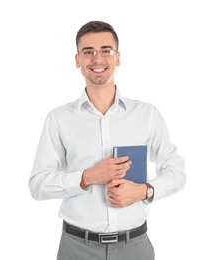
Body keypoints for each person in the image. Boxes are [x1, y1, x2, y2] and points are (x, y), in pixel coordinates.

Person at [29, 21, 186, 260]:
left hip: (135, 248)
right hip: (76, 248)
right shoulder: (59, 119)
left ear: (118, 58)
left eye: (106, 50)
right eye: (88, 52)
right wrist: (87, 177)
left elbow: (177, 171)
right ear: (77, 60)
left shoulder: (147, 114)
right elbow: (38, 185)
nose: (97, 59)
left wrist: (145, 191)